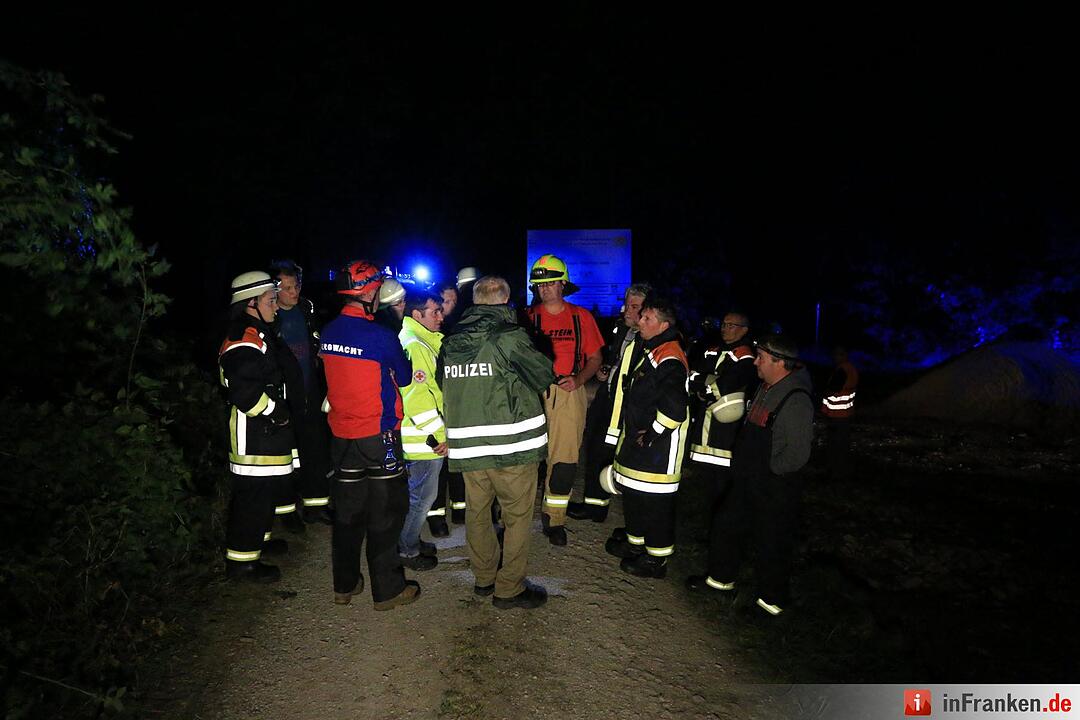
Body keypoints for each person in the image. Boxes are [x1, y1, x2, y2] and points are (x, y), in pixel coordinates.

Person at [440, 275, 555, 609]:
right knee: (516, 517)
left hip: (469, 447)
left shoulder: (451, 341)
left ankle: (484, 578)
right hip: (512, 445)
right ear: (506, 302)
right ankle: (509, 588)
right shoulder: (510, 337)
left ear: (475, 303)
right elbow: (543, 374)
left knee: (477, 515)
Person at [689, 334, 814, 618]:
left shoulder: (795, 398)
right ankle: (719, 583)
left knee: (771, 542)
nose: (755, 362)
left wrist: (767, 474)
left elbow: (794, 456)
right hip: (747, 479)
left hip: (773, 486)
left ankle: (771, 605)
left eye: (761, 358)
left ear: (779, 362)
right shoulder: (766, 387)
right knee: (726, 525)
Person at [320, 260, 420, 610]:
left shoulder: (329, 332)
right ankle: (388, 590)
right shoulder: (380, 335)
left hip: (342, 437)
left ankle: (345, 585)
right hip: (379, 437)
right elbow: (405, 378)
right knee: (386, 514)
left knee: (347, 514)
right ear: (372, 292)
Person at [218, 271, 297, 583]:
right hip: (253, 436)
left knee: (264, 496)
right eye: (270, 300)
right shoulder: (244, 340)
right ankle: (242, 564)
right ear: (250, 303)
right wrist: (277, 412)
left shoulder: (258, 334)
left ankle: (258, 545)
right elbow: (245, 392)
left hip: (264, 435)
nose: (276, 306)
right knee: (252, 498)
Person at [602, 297, 689, 579]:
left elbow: (675, 407)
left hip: (659, 450)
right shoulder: (654, 349)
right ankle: (635, 542)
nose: (640, 321)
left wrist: (653, 433)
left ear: (664, 325)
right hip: (643, 444)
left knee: (656, 505)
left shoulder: (670, 357)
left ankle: (657, 560)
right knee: (636, 495)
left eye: (647, 318)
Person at [525, 254, 605, 545]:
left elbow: (596, 358)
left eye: (549, 283)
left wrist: (579, 380)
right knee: (523, 457)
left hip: (568, 392)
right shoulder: (527, 316)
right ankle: (515, 516)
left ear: (562, 284)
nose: (544, 289)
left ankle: (554, 519)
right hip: (530, 393)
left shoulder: (581, 317)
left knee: (565, 459)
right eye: (539, 284)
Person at [567, 283, 651, 523]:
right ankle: (594, 506)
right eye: (627, 304)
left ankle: (609, 511)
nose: (627, 311)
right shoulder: (622, 330)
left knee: (609, 453)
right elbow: (614, 360)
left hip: (627, 408)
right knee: (594, 447)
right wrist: (605, 372)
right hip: (608, 398)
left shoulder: (651, 340)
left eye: (634, 307)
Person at [269, 259, 332, 526]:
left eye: (295, 286)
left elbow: (316, 338)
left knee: (314, 450)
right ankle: (286, 514)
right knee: (285, 459)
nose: (293, 292)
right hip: (285, 399)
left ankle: (316, 506)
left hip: (310, 391)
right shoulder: (269, 317)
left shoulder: (306, 309)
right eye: (287, 288)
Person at [396, 291, 448, 571]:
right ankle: (407, 550)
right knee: (421, 499)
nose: (440, 317)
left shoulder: (418, 340)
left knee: (417, 496)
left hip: (420, 436)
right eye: (434, 312)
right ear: (417, 315)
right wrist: (439, 435)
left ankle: (408, 539)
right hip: (423, 439)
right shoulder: (416, 345)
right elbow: (416, 398)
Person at [686, 311, 757, 499]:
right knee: (704, 480)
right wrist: (706, 384)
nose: (725, 329)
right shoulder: (712, 349)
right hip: (705, 421)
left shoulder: (745, 356)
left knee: (722, 478)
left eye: (731, 325)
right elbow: (694, 375)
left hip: (727, 425)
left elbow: (729, 384)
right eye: (724, 324)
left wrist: (706, 387)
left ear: (744, 330)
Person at [426, 279, 467, 537]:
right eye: (444, 302)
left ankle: (461, 509)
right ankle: (436, 516)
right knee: (438, 465)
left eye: (452, 301)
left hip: (457, 403)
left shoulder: (460, 329)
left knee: (460, 462)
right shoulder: (430, 333)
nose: (448, 307)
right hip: (437, 407)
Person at [820, 345, 858, 481]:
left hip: (837, 416)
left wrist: (822, 393)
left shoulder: (842, 370)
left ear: (843, 356)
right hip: (845, 414)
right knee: (842, 445)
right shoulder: (850, 369)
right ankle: (841, 471)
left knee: (836, 446)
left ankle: (836, 473)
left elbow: (832, 390)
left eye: (837, 355)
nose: (834, 358)